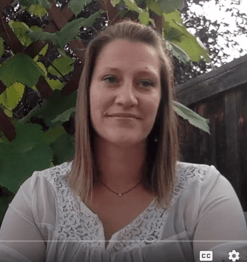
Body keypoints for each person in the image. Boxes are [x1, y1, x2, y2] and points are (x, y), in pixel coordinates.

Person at [0, 18, 247, 262]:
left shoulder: (204, 193)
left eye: (145, 83)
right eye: (111, 79)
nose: (127, 98)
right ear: (87, 93)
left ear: (161, 100)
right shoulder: (39, 197)